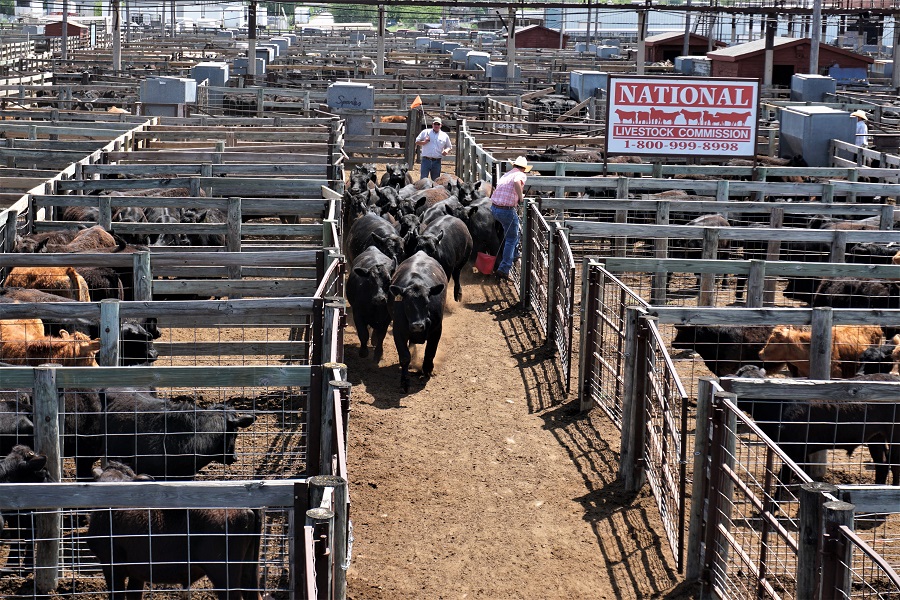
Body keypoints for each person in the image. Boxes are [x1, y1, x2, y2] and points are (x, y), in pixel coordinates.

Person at [490, 156, 531, 280]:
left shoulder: (506, 175)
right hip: (506, 210)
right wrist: (521, 197)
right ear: (524, 168)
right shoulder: (520, 175)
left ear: (514, 165)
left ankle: (514, 254)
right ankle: (504, 268)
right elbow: (517, 182)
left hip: (494, 207)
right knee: (511, 238)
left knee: (512, 233)